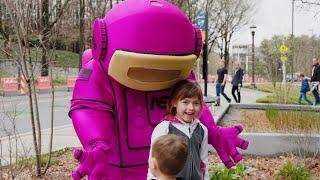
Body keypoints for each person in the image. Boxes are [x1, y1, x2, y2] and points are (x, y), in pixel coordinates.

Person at [70, 0, 249, 179]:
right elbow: (90, 110)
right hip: (120, 170)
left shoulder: (182, 76)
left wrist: (214, 133)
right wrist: (96, 144)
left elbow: (191, 104)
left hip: (171, 168)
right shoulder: (98, 73)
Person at [147, 80, 209, 180]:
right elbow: (153, 161)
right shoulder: (164, 128)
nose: (191, 107)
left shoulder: (202, 130)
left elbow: (204, 162)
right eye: (185, 102)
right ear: (174, 102)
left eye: (196, 103)